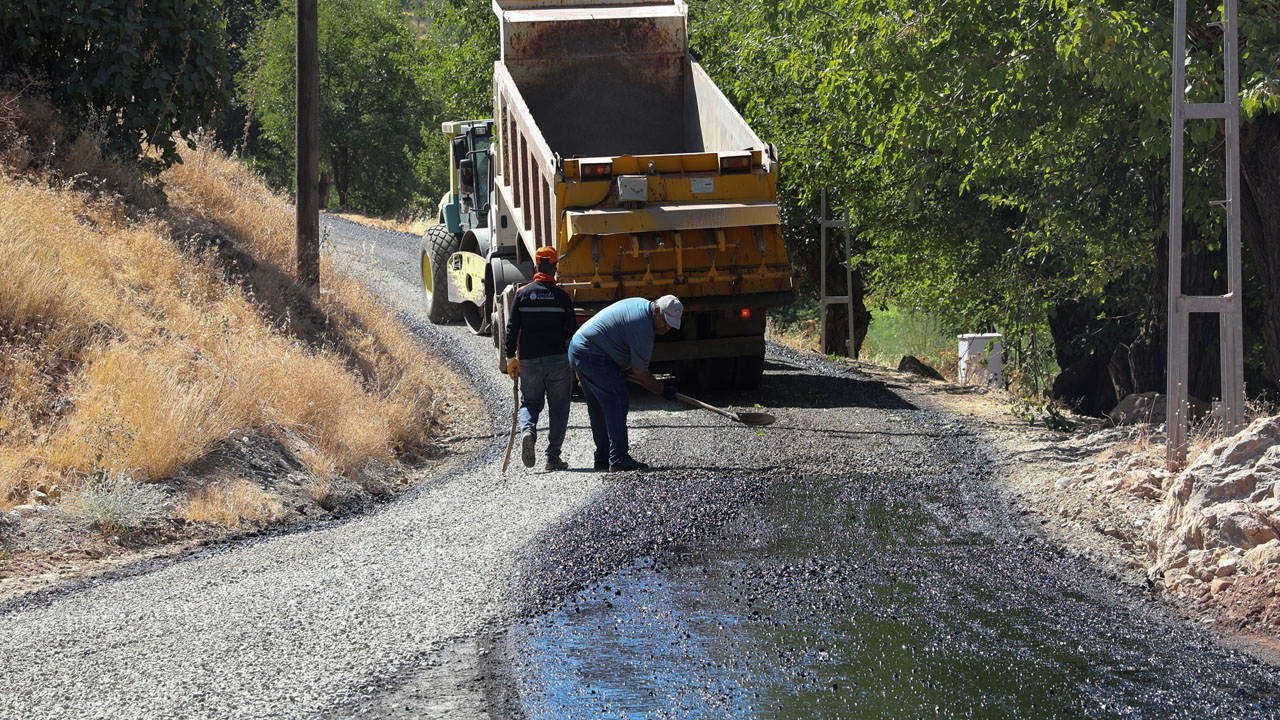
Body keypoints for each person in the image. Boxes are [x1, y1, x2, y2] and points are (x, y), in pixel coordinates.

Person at [568, 295, 682, 472]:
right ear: (657, 311)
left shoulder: (641, 307)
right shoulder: (643, 326)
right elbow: (641, 374)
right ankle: (618, 458)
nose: (667, 327)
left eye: (671, 325)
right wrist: (662, 390)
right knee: (618, 400)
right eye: (665, 321)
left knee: (598, 407)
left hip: (581, 348)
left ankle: (603, 457)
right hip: (592, 353)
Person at [504, 245, 577, 470]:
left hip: (529, 360)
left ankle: (528, 431)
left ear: (536, 267)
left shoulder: (522, 294)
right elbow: (572, 331)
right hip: (557, 359)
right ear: (555, 268)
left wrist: (510, 358)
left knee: (530, 402)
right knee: (559, 407)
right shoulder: (562, 297)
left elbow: (512, 328)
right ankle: (552, 457)